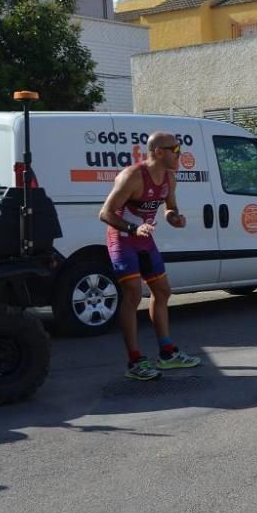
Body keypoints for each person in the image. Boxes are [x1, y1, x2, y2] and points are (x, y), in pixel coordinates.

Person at [99, 131, 201, 380]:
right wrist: (134, 228)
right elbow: (105, 213)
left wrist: (174, 218)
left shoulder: (169, 177)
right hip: (123, 239)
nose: (180, 154)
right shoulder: (132, 176)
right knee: (133, 293)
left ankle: (167, 353)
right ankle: (134, 361)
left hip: (145, 240)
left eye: (180, 149)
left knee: (163, 291)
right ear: (158, 152)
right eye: (175, 150)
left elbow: (170, 207)